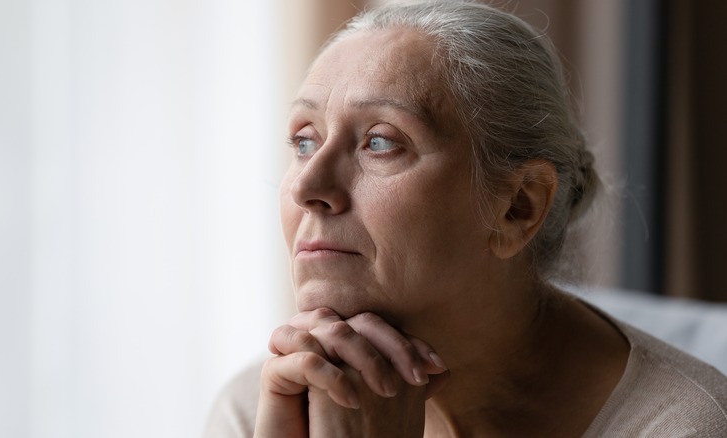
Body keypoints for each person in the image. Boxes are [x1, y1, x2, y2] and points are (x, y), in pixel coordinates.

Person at [206, 1, 727, 436]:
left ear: (517, 207)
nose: (305, 187)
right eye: (304, 141)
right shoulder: (262, 410)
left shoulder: (686, 427)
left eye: (381, 142)